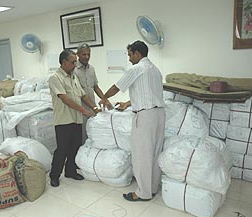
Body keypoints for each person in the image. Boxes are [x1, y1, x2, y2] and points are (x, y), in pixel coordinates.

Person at [99, 41, 165, 201]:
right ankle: (152, 188)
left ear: (138, 53)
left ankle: (143, 193)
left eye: (130, 55)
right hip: (159, 114)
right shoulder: (155, 70)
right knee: (155, 153)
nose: (129, 59)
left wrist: (104, 97)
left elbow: (117, 86)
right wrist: (128, 103)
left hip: (145, 117)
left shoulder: (136, 68)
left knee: (142, 155)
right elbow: (148, 93)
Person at [48, 49, 101, 187]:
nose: (74, 65)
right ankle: (54, 175)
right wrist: (83, 110)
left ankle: (70, 171)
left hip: (76, 119)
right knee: (62, 149)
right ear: (64, 62)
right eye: (72, 62)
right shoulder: (55, 78)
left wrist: (95, 108)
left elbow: (83, 95)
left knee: (75, 147)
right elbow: (64, 98)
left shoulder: (73, 77)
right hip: (64, 120)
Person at [74, 43, 112, 144]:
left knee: (93, 134)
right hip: (80, 109)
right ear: (77, 54)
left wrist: (105, 100)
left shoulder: (92, 69)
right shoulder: (73, 70)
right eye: (84, 54)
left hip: (92, 107)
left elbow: (96, 87)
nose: (87, 57)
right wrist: (95, 107)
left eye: (88, 54)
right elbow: (81, 94)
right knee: (83, 136)